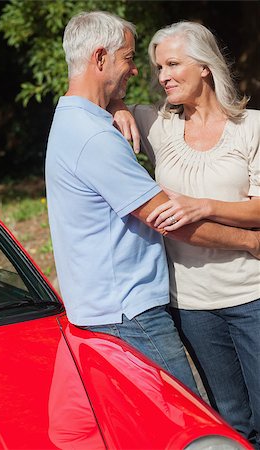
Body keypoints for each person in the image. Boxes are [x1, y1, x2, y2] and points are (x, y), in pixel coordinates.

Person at [45, 11, 259, 397]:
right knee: (198, 418)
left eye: (172, 64)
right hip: (154, 308)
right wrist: (251, 242)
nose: (148, 74)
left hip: (236, 296)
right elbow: (167, 220)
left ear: (206, 68)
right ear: (100, 58)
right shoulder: (116, 132)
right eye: (133, 59)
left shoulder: (78, 122)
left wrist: (116, 105)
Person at [110, 21, 260, 448]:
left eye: (173, 63)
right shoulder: (154, 124)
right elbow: (93, 102)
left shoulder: (252, 126)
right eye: (159, 67)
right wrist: (119, 105)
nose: (163, 76)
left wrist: (205, 206)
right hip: (190, 304)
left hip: (253, 296)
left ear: (206, 67)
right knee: (229, 419)